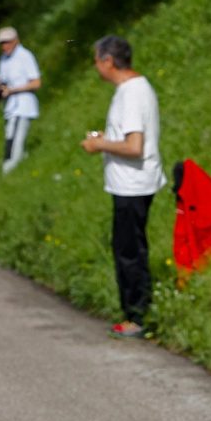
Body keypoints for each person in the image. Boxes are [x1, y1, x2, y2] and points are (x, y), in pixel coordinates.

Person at [80, 35, 166, 338]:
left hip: (132, 184)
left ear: (108, 61)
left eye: (96, 60)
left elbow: (134, 146)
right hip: (134, 182)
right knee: (130, 248)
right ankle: (137, 311)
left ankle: (136, 316)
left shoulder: (130, 93)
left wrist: (99, 144)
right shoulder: (134, 88)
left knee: (129, 251)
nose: (95, 66)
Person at [0, 26, 41, 174]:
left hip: (24, 105)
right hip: (10, 108)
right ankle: (20, 168)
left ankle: (9, 170)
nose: (4, 46)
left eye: (7, 42)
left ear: (15, 41)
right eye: (1, 43)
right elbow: (1, 80)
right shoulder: (3, 59)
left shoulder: (25, 56)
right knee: (10, 137)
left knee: (15, 141)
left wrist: (13, 90)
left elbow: (36, 83)